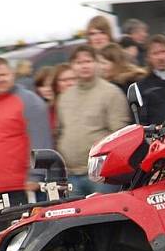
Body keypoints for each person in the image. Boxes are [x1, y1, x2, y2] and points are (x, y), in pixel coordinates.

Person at [0, 57, 52, 212]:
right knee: (1, 234)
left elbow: (41, 140)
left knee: (20, 234)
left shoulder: (29, 101)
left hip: (18, 186)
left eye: (3, 75)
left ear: (12, 74)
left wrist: (36, 175)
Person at [57, 45, 131, 196]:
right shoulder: (64, 98)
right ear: (72, 66)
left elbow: (120, 134)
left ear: (96, 63)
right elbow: (59, 132)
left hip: (101, 176)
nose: (84, 65)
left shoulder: (111, 93)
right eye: (79, 62)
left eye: (88, 61)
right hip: (71, 176)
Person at [49, 63, 76, 142]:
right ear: (55, 85)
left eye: (73, 79)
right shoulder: (50, 109)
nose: (70, 83)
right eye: (64, 80)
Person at [33, 66, 56, 133]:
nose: (48, 89)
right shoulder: (34, 110)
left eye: (51, 85)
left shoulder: (64, 106)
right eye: (43, 86)